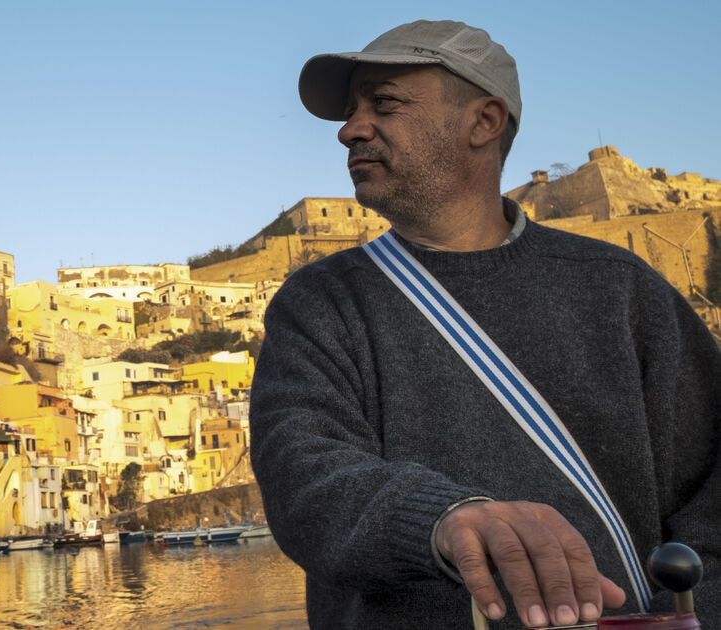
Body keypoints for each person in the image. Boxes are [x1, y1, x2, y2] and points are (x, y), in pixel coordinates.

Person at [250, 19, 720, 629]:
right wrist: (443, 519)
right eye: (351, 109)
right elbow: (304, 477)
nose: (349, 129)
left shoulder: (622, 288)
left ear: (484, 122)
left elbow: (712, 494)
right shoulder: (318, 301)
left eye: (384, 102)